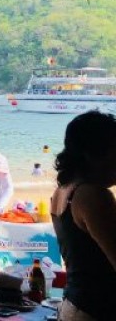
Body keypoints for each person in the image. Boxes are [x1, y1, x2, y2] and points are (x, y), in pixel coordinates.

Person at [50, 111, 116, 321]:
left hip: (73, 305)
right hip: (97, 310)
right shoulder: (93, 196)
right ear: (95, 153)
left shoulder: (63, 191)